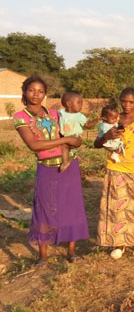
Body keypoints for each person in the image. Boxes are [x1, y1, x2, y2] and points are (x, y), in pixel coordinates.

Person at [13, 76, 89, 267]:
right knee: (44, 210)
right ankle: (43, 256)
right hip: (46, 168)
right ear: (25, 92)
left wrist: (75, 140)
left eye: (40, 91)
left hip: (68, 165)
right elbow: (34, 145)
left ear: (45, 93)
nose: (36, 94)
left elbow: (68, 133)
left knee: (72, 207)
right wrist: (65, 140)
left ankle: (71, 251)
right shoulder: (20, 117)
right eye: (32, 90)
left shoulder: (55, 114)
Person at [94, 87, 134, 260]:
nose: (127, 105)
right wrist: (107, 136)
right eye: (124, 101)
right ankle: (119, 244)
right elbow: (97, 143)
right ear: (120, 100)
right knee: (117, 207)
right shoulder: (112, 119)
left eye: (131, 102)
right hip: (116, 168)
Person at [58, 92, 100, 172]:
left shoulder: (79, 116)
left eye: (81, 103)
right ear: (69, 104)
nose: (81, 105)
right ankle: (68, 161)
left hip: (74, 137)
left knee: (64, 146)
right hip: (64, 137)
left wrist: (96, 121)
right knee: (63, 147)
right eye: (79, 103)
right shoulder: (61, 113)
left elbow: (87, 125)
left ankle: (65, 162)